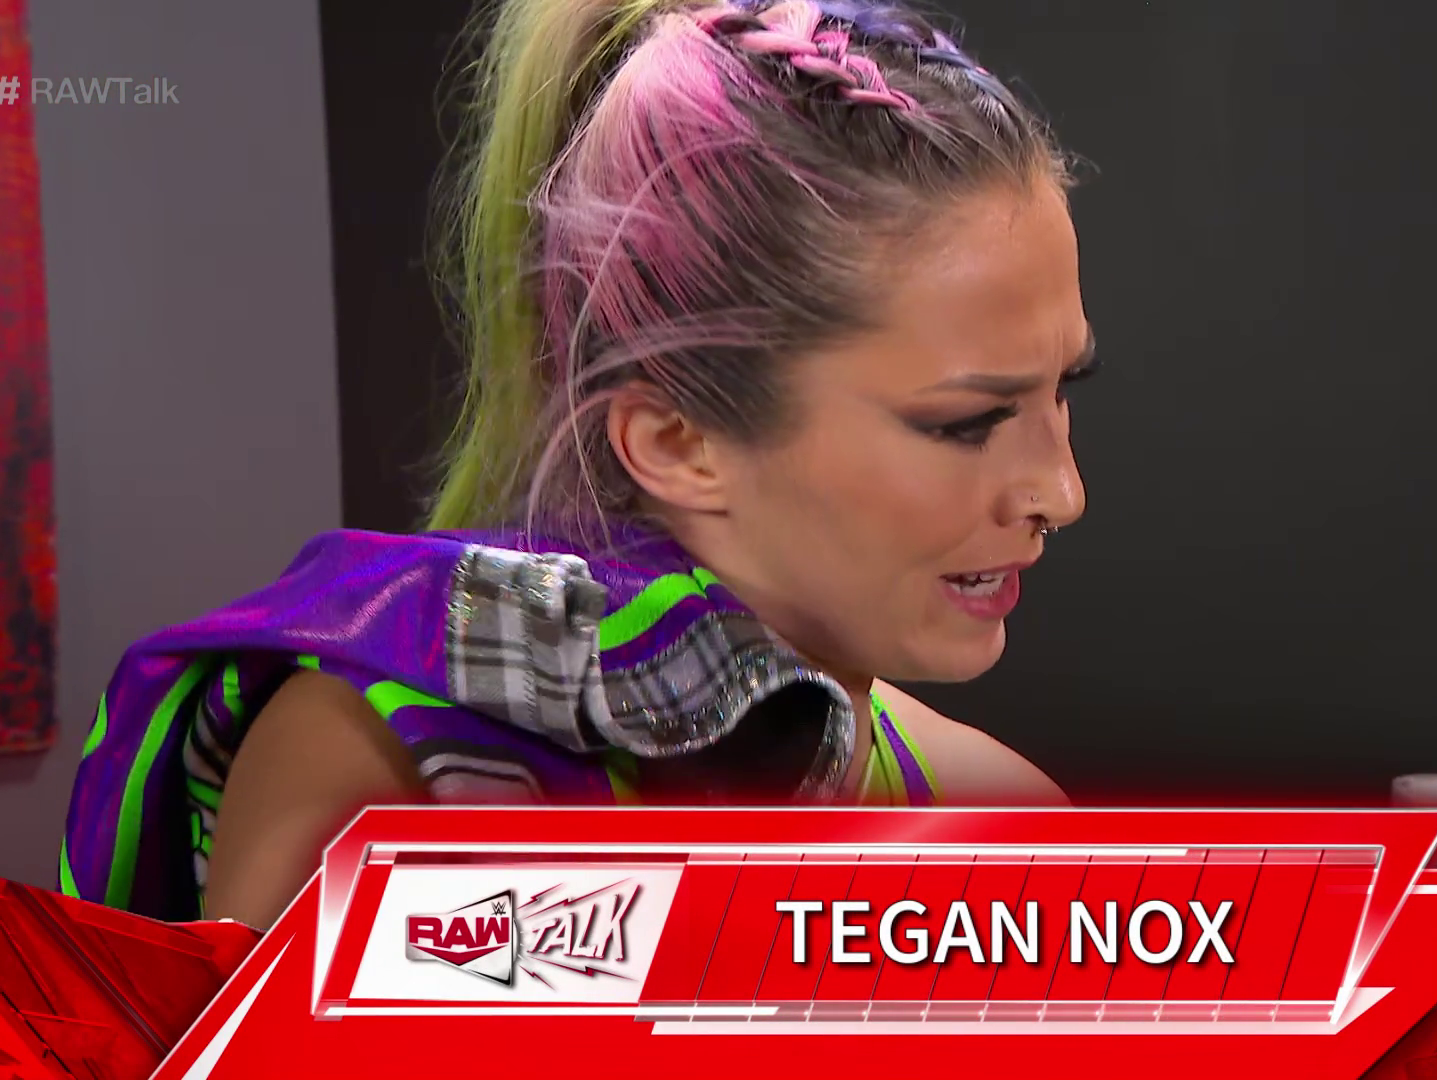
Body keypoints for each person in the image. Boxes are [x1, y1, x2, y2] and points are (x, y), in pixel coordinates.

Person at [61, 0, 1092, 929]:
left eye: (1062, 391)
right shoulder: (381, 780)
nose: (1061, 492)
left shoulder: (1009, 824)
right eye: (968, 422)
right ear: (678, 440)